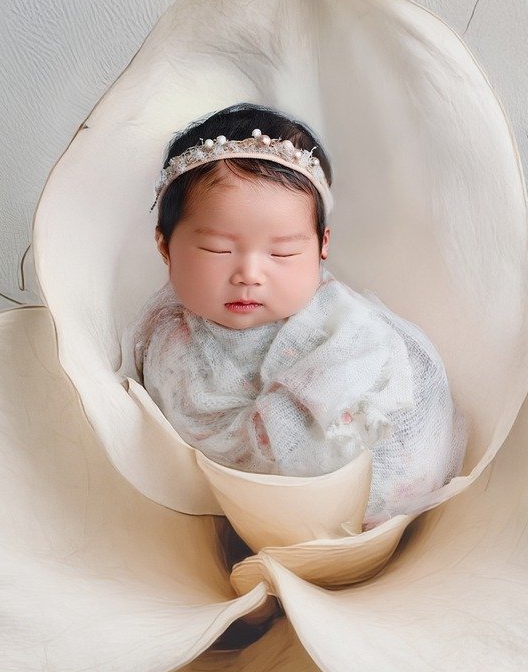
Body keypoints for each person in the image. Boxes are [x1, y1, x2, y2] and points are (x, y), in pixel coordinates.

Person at [127, 102, 468, 531]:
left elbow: (373, 371)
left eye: (283, 252)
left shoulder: (340, 325)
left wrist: (305, 418)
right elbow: (175, 433)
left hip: (370, 494)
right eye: (217, 250)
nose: (249, 274)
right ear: (165, 246)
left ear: (322, 247)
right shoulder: (168, 340)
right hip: (250, 518)